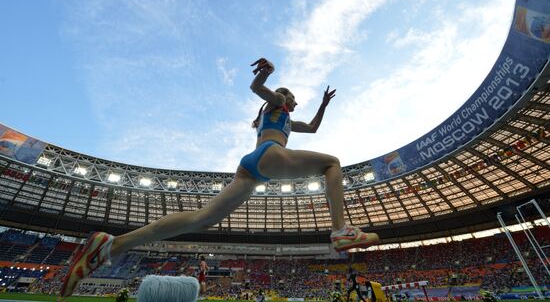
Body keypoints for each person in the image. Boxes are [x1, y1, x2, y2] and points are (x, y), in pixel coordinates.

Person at [59, 58, 380, 299]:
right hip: (270, 155)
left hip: (251, 168)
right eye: (294, 98)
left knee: (200, 219)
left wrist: (323, 105)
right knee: (332, 164)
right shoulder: (279, 103)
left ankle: (111, 245)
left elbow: (312, 128)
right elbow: (257, 89)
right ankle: (340, 231)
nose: (295, 102)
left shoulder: (283, 119)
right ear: (287, 98)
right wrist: (266, 74)